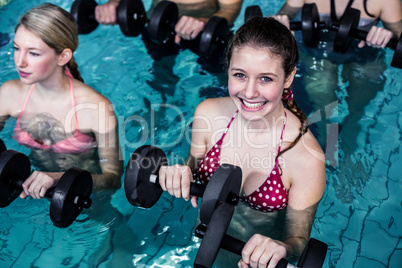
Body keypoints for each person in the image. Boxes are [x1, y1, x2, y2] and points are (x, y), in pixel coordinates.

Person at [155, 17, 326, 267]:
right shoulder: (208, 114)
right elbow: (192, 168)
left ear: (288, 77)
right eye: (240, 75)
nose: (249, 92)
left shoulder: (306, 156)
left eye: (266, 78)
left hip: (256, 260)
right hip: (204, 240)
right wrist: (179, 174)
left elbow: (299, 240)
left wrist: (283, 247)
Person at [0, 3, 123, 199]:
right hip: (25, 185)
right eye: (16, 49)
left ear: (63, 56)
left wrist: (62, 178)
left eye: (33, 53)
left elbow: (113, 179)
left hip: (83, 195)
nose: (19, 61)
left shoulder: (96, 109)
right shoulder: (9, 94)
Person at [95, 0, 244, 44]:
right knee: (161, 78)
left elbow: (229, 10)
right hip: (157, 27)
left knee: (221, 79)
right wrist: (114, 4)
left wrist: (205, 22)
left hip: (206, 33)